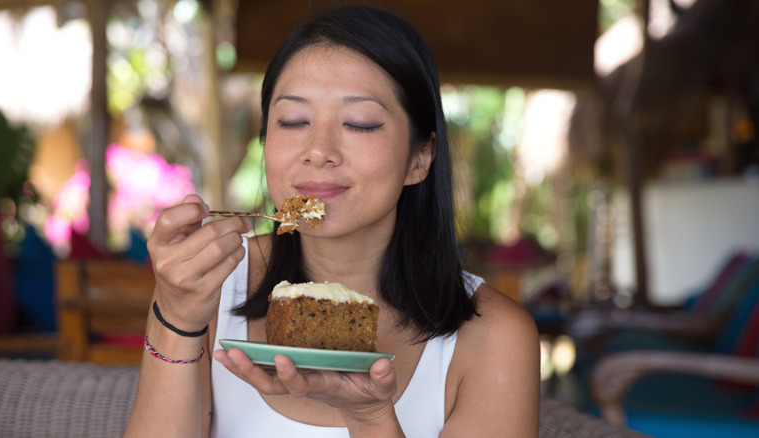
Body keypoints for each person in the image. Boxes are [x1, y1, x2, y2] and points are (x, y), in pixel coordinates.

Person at [125, 6, 540, 437]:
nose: (319, 150)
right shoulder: (209, 282)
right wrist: (176, 319)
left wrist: (369, 418)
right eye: (293, 121)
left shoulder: (493, 337)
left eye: (359, 124)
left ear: (420, 157)